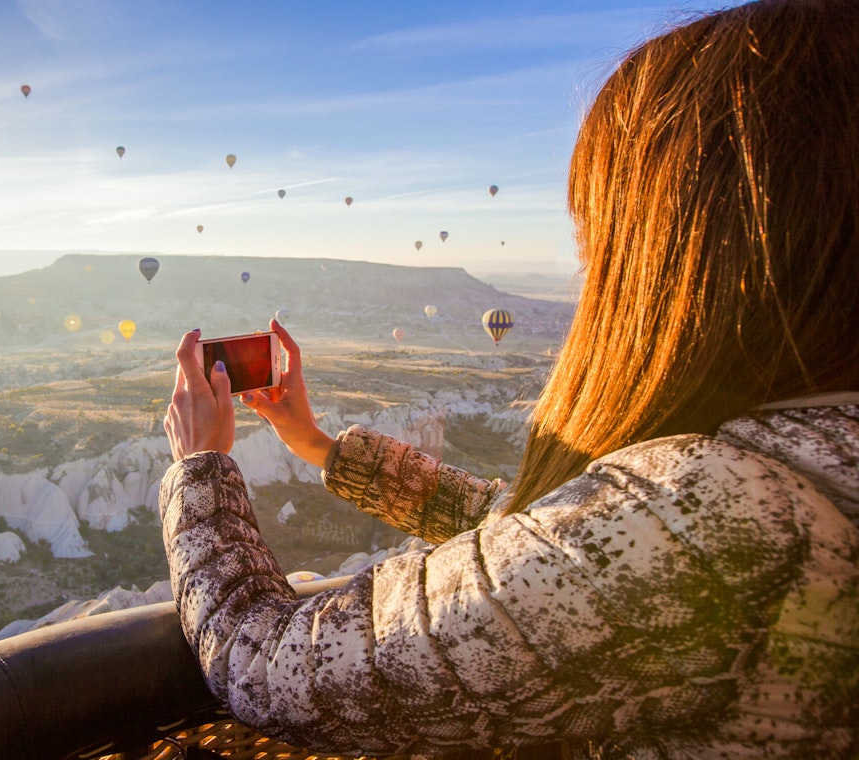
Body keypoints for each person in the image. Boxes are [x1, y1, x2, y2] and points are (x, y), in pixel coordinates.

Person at [159, 1, 859, 758]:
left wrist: (202, 469)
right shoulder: (805, 458)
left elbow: (267, 665)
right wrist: (321, 446)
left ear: (692, 253)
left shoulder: (717, 508)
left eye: (596, 245)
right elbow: (532, 540)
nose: (586, 277)